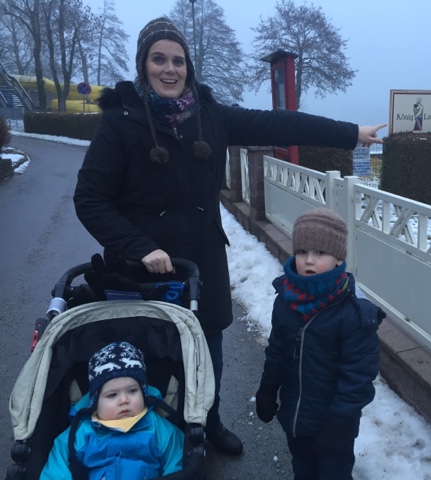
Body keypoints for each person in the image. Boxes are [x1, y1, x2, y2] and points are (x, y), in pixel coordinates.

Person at [72, 15, 385, 456]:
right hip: (142, 269)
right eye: (159, 59)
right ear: (143, 64)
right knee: (153, 353)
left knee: (209, 349)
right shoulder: (119, 122)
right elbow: (90, 200)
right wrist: (140, 247)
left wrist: (350, 134)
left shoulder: (211, 116)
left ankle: (208, 421)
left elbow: (280, 124)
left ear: (188, 67)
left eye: (178, 60)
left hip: (201, 261)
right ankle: (152, 432)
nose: (170, 69)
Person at [255, 208, 385, 479]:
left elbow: (358, 376)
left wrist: (339, 424)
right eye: (302, 251)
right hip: (295, 418)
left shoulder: (352, 314)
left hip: (333, 428)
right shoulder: (286, 301)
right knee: (303, 470)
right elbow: (277, 350)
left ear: (339, 258)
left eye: (320, 252)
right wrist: (267, 389)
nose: (309, 261)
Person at [40, 341, 184, 479]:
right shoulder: (80, 433)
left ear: (144, 393)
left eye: (132, 391)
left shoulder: (159, 429)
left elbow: (177, 464)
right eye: (112, 395)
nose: (124, 400)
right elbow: (57, 470)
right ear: (95, 403)